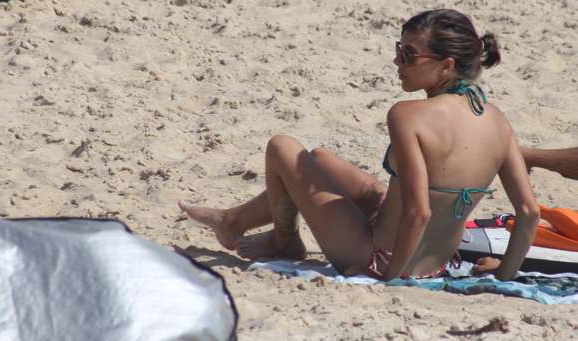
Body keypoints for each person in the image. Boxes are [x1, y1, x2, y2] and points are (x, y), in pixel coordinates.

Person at [179, 8, 540, 281]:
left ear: (446, 66)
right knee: (318, 160)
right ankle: (235, 219)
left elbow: (418, 213)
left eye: (409, 55)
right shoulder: (497, 120)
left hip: (378, 255)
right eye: (399, 49)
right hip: (439, 262)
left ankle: (283, 240)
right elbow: (529, 213)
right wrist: (504, 275)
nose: (397, 62)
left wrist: (389, 278)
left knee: (282, 147)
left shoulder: (409, 115)